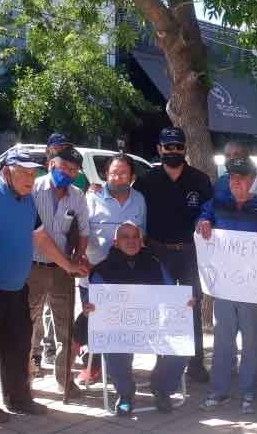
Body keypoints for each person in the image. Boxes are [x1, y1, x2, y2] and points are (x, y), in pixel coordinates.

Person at [0, 148, 83, 423]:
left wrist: (68, 265)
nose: (30, 178)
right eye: (24, 172)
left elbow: (40, 239)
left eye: (33, 173)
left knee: (17, 348)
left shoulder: (28, 201)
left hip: (17, 289)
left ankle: (18, 398)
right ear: (6, 171)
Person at [83, 222, 189, 415]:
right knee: (113, 345)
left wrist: (184, 303)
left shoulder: (156, 264)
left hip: (153, 325)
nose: (131, 241)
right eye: (125, 237)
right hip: (118, 328)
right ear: (115, 242)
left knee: (184, 345)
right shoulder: (102, 270)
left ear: (141, 241)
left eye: (135, 237)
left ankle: (161, 388)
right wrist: (89, 307)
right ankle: (125, 395)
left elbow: (172, 293)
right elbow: (92, 302)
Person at [133, 127, 213, 383]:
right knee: (161, 311)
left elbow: (210, 211)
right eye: (168, 147)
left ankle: (196, 364)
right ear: (159, 149)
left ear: (185, 149)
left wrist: (206, 219)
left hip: (190, 253)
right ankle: (162, 364)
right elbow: (134, 211)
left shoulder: (200, 180)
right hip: (158, 253)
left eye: (178, 146)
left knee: (191, 309)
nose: (173, 151)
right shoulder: (146, 180)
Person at [195, 156, 257, 414]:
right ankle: (219, 392)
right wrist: (203, 222)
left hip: (254, 287)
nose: (235, 182)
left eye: (241, 178)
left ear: (252, 181)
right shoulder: (216, 203)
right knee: (222, 339)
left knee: (252, 340)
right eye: (232, 178)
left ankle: (248, 391)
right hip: (226, 287)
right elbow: (202, 218)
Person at [79, 153, 146, 385]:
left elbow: (142, 235)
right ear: (106, 175)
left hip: (127, 276)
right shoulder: (92, 197)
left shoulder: (139, 200)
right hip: (94, 274)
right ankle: (93, 366)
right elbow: (82, 232)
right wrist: (80, 258)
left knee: (123, 324)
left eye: (123, 173)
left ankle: (121, 371)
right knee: (96, 323)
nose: (118, 178)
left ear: (132, 176)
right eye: (113, 173)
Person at [29, 145, 91, 393]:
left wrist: (79, 254)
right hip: (31, 267)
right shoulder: (32, 188)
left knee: (65, 328)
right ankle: (25, 378)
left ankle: (65, 380)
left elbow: (84, 230)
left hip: (63, 270)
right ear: (51, 164)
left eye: (74, 169)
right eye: (64, 166)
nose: (68, 172)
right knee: (27, 326)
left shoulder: (77, 195)